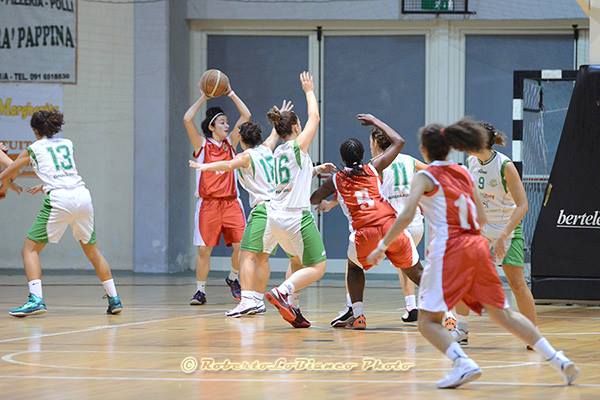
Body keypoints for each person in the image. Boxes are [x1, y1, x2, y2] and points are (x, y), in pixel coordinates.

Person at [367, 118, 578, 389]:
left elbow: (407, 215)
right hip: (476, 245)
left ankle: (462, 363)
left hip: (450, 249)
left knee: (427, 321)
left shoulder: (425, 175)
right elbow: (479, 216)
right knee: (503, 314)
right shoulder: (464, 172)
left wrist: (383, 245)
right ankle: (559, 360)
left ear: (424, 150)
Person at [0, 110, 123, 317]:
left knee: (29, 250)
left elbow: (10, 170)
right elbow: (60, 171)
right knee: (92, 251)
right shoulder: (67, 143)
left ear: (34, 130)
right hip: (82, 196)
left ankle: (36, 299)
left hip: (59, 200)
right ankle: (114, 298)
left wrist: (6, 179)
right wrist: (44, 184)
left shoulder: (33, 148)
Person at [311, 114, 422, 330]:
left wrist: (314, 177)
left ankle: (358, 314)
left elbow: (314, 198)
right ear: (362, 154)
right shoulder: (373, 167)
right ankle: (446, 311)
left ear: (342, 158)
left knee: (354, 267)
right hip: (391, 226)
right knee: (416, 272)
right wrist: (375, 121)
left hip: (365, 233)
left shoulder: (337, 178)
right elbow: (399, 141)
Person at [448, 122, 536, 347]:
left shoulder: (504, 165)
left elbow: (523, 205)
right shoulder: (471, 162)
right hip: (482, 230)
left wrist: (503, 236)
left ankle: (533, 335)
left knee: (517, 284)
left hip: (507, 229)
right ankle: (462, 329)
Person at [261, 72, 327, 327]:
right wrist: (309, 90)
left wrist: (314, 170)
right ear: (296, 128)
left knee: (297, 261)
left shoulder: (278, 151)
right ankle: (282, 291)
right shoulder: (298, 147)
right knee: (318, 267)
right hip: (295, 216)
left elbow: (292, 178)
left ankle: (294, 308)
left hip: (275, 217)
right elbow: (316, 117)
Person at [183, 80, 251, 305]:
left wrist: (230, 92)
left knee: (241, 246)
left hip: (231, 202)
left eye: (227, 122)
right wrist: (204, 96)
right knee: (204, 250)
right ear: (212, 126)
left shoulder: (232, 143)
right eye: (222, 122)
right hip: (208, 204)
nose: (227, 125)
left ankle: (233, 278)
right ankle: (200, 291)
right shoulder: (201, 145)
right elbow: (186, 119)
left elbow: (246, 115)